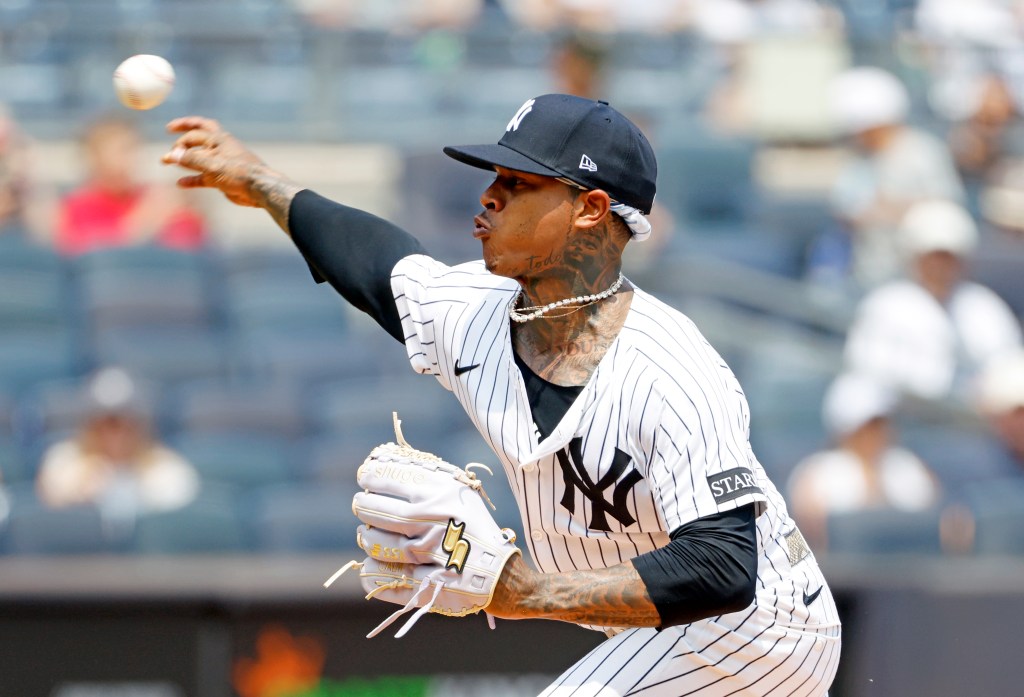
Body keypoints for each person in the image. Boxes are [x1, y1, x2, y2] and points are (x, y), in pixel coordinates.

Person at [161, 94, 840, 695]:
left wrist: (529, 591)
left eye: (517, 183)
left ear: (591, 209)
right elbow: (373, 262)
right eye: (494, 177)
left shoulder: (670, 368)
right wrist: (258, 181)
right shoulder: (474, 311)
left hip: (760, 630)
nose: (488, 195)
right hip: (661, 634)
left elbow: (724, 563)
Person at [843, 199, 1022, 403]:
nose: (940, 268)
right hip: (909, 420)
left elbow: (1007, 369)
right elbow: (869, 373)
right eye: (933, 258)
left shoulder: (984, 306)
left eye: (948, 258)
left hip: (973, 422)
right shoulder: (885, 306)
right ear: (914, 258)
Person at [812, 67, 965, 289]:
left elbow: (947, 208)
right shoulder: (858, 159)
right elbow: (845, 208)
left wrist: (894, 209)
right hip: (869, 273)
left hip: (920, 277)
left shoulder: (923, 152)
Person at [786, 373, 941, 552]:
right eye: (869, 425)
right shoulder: (816, 473)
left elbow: (940, 527)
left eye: (881, 423)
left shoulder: (906, 467)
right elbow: (792, 546)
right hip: (838, 578)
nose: (876, 433)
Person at [36, 367, 199, 530]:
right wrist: (82, 489)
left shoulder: (166, 466)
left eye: (123, 425)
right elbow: (50, 501)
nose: (115, 435)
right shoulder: (64, 460)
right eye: (105, 425)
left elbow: (179, 514)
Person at [56, 115, 207, 256]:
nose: (131, 158)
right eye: (122, 150)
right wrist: (145, 220)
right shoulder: (78, 205)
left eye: (135, 148)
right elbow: (83, 253)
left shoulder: (154, 197)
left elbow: (188, 245)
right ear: (94, 156)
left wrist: (185, 210)